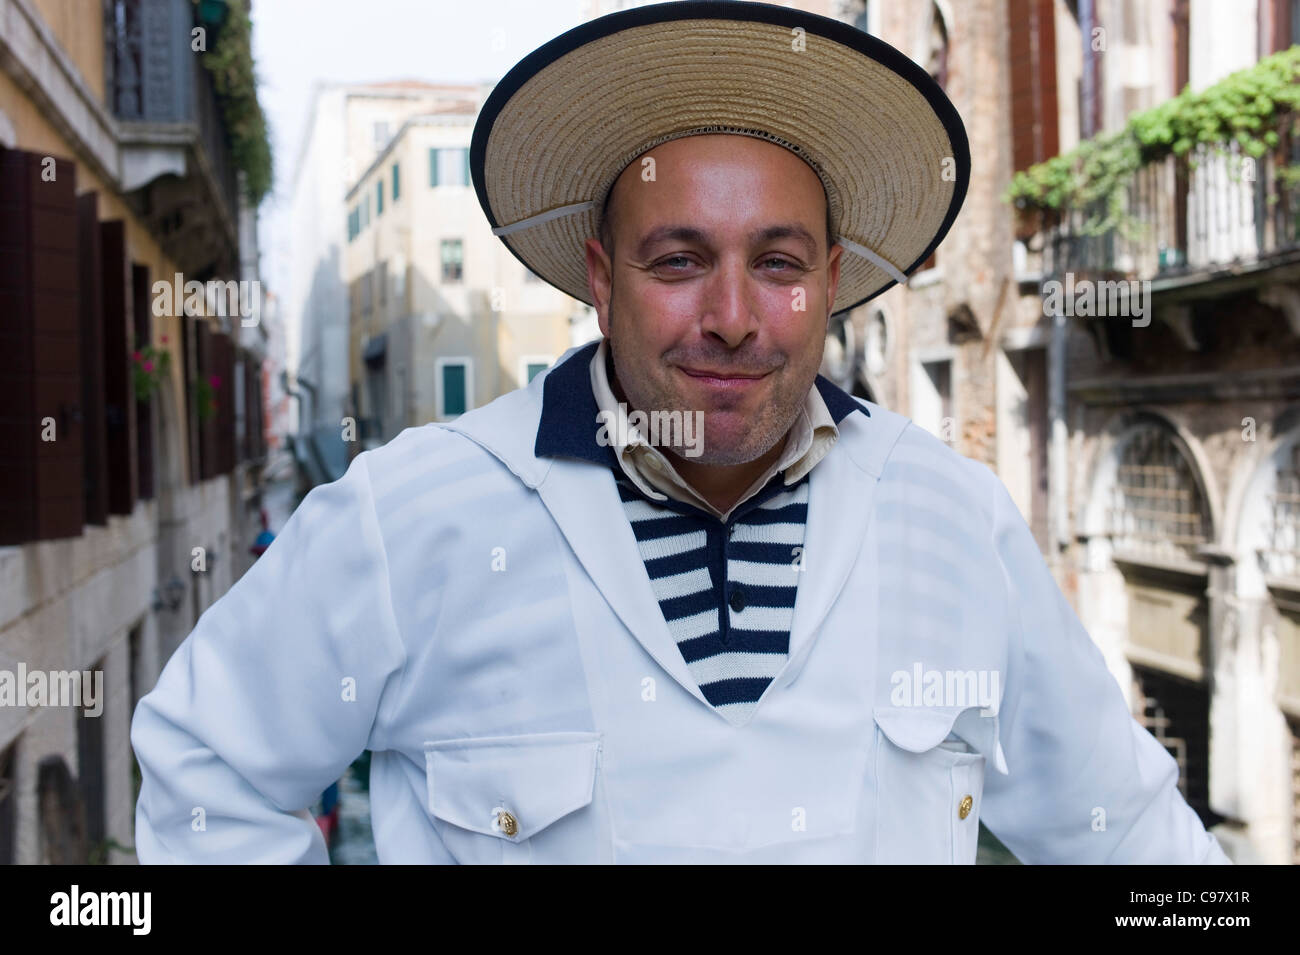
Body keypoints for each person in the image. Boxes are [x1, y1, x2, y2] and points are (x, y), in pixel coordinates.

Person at [130, 1, 1231, 863]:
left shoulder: (955, 520)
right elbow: (208, 776)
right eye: (679, 260)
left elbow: (1122, 832)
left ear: (832, 284)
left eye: (780, 264)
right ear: (602, 280)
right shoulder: (412, 516)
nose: (734, 318)